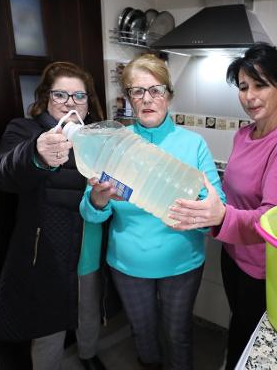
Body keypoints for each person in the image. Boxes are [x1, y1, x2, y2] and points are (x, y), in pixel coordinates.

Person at [169, 43, 277, 370]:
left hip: (262, 270)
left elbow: (271, 221)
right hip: (233, 255)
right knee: (239, 324)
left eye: (260, 85)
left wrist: (221, 216)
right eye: (244, 87)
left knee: (246, 340)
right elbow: (234, 193)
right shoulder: (244, 135)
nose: (250, 96)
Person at [79, 53, 224, 370]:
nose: (147, 99)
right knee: (142, 333)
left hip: (182, 264)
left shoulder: (193, 144)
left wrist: (204, 213)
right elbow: (90, 213)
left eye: (155, 90)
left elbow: (217, 208)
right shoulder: (115, 142)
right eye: (137, 91)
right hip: (129, 265)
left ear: (169, 95)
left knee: (178, 335)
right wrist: (99, 201)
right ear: (129, 98)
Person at [0, 62, 107, 370]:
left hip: (89, 246)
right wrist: (35, 154)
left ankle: (88, 355)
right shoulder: (24, 131)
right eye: (61, 94)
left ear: (88, 102)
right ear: (45, 97)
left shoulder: (97, 138)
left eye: (79, 96)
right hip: (47, 251)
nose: (70, 103)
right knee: (47, 327)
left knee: (89, 310)